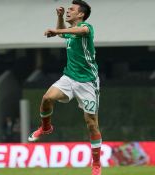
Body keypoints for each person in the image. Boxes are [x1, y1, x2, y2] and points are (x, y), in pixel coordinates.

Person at [28, 1, 102, 174]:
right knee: (47, 98)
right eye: (68, 9)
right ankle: (46, 127)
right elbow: (62, 35)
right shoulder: (70, 31)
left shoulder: (86, 27)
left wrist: (57, 30)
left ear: (81, 15)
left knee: (91, 124)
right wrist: (59, 18)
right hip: (69, 77)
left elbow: (76, 31)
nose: (69, 11)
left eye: (72, 10)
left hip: (88, 82)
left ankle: (96, 163)